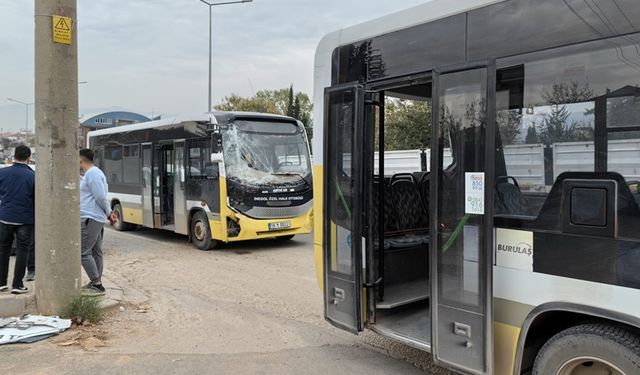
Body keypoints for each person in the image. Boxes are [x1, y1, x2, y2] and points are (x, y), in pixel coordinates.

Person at [79, 148, 115, 296]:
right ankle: (96, 281)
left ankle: (97, 284)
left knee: (83, 252)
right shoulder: (93, 173)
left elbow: (100, 197)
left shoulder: (92, 174)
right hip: (94, 217)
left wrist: (109, 213)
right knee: (95, 251)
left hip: (91, 217)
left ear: (80, 160)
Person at [0, 145, 35, 294]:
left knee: (3, 249)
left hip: (5, 217)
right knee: (23, 251)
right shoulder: (33, 176)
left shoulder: (2, 173)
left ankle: (1, 283)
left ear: (14, 156)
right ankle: (17, 284)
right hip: (25, 219)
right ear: (29, 157)